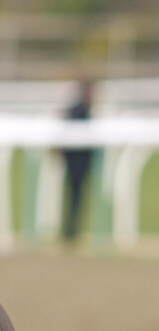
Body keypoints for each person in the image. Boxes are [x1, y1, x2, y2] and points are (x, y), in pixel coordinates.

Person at [61, 80, 95, 242]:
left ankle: (73, 230)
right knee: (73, 196)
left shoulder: (89, 110)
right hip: (74, 161)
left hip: (83, 162)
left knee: (78, 197)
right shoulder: (76, 110)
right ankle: (69, 231)